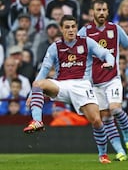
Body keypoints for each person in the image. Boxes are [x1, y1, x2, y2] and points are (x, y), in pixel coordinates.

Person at [23, 15, 116, 164]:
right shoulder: (55, 47)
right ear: (61, 29)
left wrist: (110, 63)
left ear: (76, 27)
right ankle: (37, 121)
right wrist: (31, 94)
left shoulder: (87, 42)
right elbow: (44, 71)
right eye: (67, 27)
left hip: (82, 85)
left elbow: (106, 54)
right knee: (38, 84)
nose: (71, 30)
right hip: (62, 85)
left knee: (97, 121)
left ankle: (103, 155)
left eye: (73, 26)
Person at [78, 0, 128, 159]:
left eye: (104, 9)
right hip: (95, 84)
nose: (102, 13)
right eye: (99, 10)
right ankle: (120, 151)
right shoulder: (85, 32)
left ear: (108, 12)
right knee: (105, 117)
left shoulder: (115, 29)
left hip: (112, 79)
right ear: (93, 12)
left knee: (116, 109)